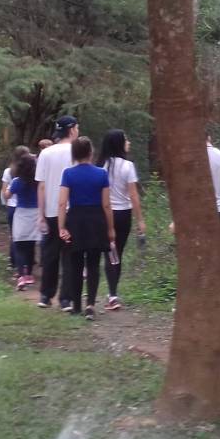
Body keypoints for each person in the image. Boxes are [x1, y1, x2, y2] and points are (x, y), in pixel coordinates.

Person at [58, 137, 115, 320]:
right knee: (93, 264)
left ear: (74, 154)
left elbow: (62, 203)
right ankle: (90, 305)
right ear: (91, 152)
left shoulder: (68, 174)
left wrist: (61, 227)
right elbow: (106, 205)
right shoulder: (101, 174)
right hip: (96, 220)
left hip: (75, 220)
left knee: (75, 264)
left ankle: (76, 305)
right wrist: (110, 228)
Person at [96, 130, 148, 311]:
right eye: (126, 140)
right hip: (124, 214)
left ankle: (112, 293)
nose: (129, 142)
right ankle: (113, 293)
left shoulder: (101, 166)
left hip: (105, 213)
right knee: (118, 252)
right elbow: (133, 195)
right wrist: (140, 219)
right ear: (119, 143)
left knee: (110, 253)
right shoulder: (128, 166)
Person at [36, 116, 80, 310]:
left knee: (50, 254)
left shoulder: (46, 153)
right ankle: (66, 299)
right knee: (69, 254)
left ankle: (46, 295)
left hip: (52, 211)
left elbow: (41, 186)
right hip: (73, 210)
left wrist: (41, 214)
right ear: (72, 130)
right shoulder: (77, 151)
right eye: (77, 128)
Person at [3, 152, 41, 290]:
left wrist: (7, 188)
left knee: (19, 245)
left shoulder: (17, 181)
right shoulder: (38, 181)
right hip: (36, 214)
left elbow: (7, 195)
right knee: (31, 245)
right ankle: (29, 274)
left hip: (21, 214)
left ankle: (21, 276)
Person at [0, 146, 31, 272]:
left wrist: (7, 203)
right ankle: (25, 263)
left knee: (14, 235)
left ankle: (13, 262)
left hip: (12, 207)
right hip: (24, 206)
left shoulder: (8, 171)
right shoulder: (30, 171)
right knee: (27, 236)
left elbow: (4, 191)